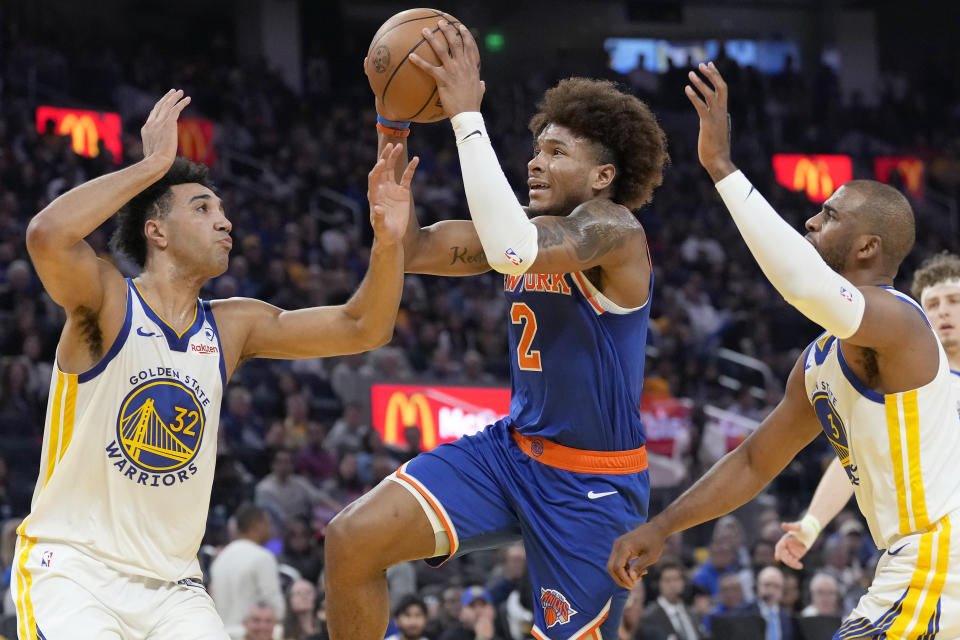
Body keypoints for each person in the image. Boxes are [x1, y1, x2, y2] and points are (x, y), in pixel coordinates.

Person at [12, 89, 418, 639]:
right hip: (75, 571)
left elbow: (363, 327)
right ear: (155, 231)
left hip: (174, 587)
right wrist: (152, 166)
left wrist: (389, 243)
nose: (225, 222)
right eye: (203, 209)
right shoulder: (107, 301)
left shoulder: (232, 324)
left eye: (223, 211)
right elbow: (46, 236)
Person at [327, 18, 668, 640]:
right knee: (352, 540)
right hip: (510, 454)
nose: (536, 163)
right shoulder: (518, 230)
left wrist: (465, 116)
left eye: (557, 152)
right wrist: (392, 134)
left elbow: (515, 251)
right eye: (536, 149)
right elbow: (410, 250)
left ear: (602, 176)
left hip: (592, 485)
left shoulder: (615, 231)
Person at [608, 62, 960, 638]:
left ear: (868, 245)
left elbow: (802, 285)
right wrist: (664, 526)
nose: (810, 221)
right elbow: (752, 463)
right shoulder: (820, 361)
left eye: (829, 216)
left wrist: (722, 168)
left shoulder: (900, 320)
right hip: (909, 559)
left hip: (938, 557)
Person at [774, 251, 960, 569]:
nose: (943, 311)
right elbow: (856, 458)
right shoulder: (903, 386)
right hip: (930, 549)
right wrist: (813, 523)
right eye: (932, 304)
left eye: (954, 300)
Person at [209, 504, 285, 639]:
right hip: (251, 635)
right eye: (267, 524)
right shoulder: (263, 556)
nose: (270, 529)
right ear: (257, 525)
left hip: (221, 634)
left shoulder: (220, 557)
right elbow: (275, 606)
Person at [640, 560, 702, 640]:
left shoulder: (694, 614)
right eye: (667, 580)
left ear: (684, 582)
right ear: (658, 584)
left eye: (676, 579)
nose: (673, 585)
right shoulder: (648, 617)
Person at [741, 566, 794, 640]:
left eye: (776, 586)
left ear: (782, 591)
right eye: (767, 585)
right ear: (758, 586)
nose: (771, 591)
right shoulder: (743, 612)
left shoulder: (787, 619)